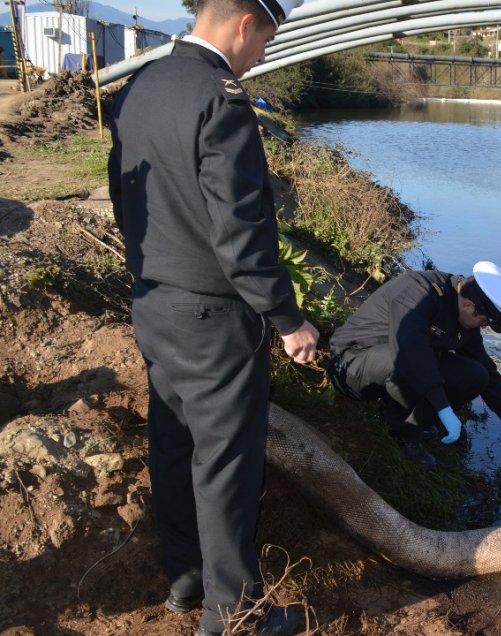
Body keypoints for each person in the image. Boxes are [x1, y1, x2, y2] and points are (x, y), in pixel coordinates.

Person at [107, 0, 317, 634]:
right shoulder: (221, 100)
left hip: (154, 301)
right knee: (226, 463)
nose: (264, 56)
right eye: (266, 40)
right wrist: (287, 319)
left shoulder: (142, 86)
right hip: (214, 314)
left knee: (173, 444)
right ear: (245, 22)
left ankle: (185, 581)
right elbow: (243, 232)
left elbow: (125, 192)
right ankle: (235, 618)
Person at [327, 261, 501, 469]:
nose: (484, 327)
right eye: (485, 322)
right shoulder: (418, 291)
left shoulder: (465, 314)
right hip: (352, 363)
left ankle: (410, 416)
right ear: (469, 306)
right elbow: (410, 351)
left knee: (477, 374)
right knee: (410, 362)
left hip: (396, 367)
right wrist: (443, 406)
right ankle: (406, 435)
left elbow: (484, 366)